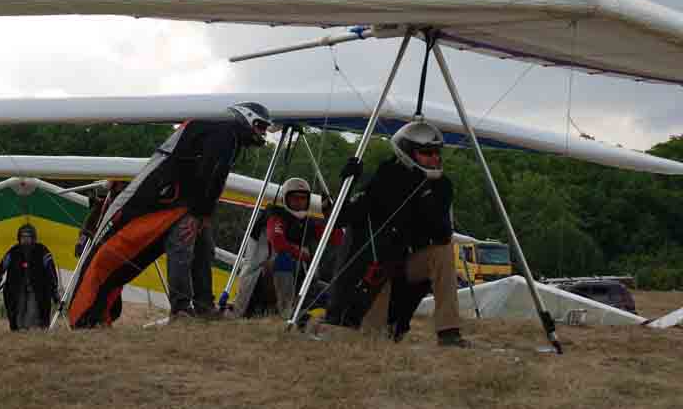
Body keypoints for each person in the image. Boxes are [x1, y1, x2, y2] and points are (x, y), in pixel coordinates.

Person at [68, 102, 272, 327]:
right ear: (246, 117)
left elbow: (214, 176)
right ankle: (181, 309)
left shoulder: (226, 136)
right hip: (167, 200)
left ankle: (204, 305)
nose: (262, 133)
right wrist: (199, 212)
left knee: (204, 248)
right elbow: (209, 172)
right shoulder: (222, 130)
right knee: (181, 248)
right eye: (260, 126)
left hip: (185, 202)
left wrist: (203, 213)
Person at [321, 119, 469, 347]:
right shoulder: (386, 177)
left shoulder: (441, 185)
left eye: (437, 152)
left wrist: (424, 195)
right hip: (379, 267)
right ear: (408, 153)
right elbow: (341, 218)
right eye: (427, 152)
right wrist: (348, 183)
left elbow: (442, 234)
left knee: (444, 250)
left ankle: (448, 332)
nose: (435, 158)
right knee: (373, 342)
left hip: (409, 263)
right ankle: (383, 326)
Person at [230, 178, 341, 319]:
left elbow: (338, 238)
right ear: (284, 199)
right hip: (259, 284)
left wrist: (328, 212)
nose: (299, 203)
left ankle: (336, 321)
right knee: (284, 259)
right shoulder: (274, 216)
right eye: (294, 199)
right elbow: (278, 243)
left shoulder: (308, 223)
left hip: (297, 284)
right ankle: (286, 313)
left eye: (303, 199)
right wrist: (302, 254)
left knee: (333, 294)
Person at [72, 180, 127, 325]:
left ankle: (105, 317)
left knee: (113, 286)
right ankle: (92, 316)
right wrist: (81, 242)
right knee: (95, 284)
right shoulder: (102, 206)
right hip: (100, 251)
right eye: (118, 186)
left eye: (123, 186)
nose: (120, 189)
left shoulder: (126, 204)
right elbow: (89, 225)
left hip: (116, 252)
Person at [0, 223, 60, 331]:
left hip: (37, 290)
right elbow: (1, 268)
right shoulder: (13, 252)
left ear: (33, 238)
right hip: (17, 289)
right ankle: (20, 335)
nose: (25, 240)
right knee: (18, 316)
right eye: (23, 237)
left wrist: (54, 289)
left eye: (28, 237)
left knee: (31, 315)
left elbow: (51, 270)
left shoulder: (42, 251)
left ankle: (31, 333)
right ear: (19, 238)